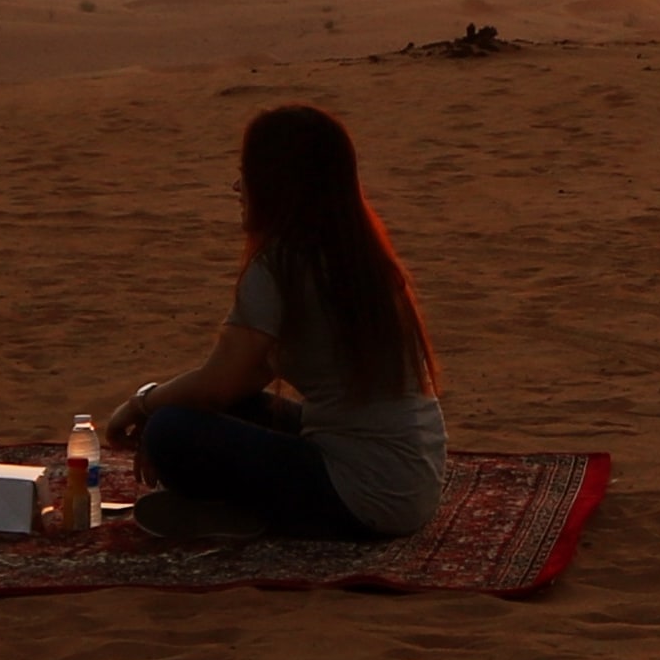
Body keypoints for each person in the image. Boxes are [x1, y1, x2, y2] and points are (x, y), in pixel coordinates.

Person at [104, 104, 446, 539]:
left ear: (276, 185)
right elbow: (241, 382)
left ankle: (252, 517)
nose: (236, 187)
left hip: (363, 497)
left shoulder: (282, 265)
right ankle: (243, 513)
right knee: (216, 408)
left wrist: (141, 406)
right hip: (410, 485)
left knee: (172, 430)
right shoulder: (359, 258)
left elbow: (216, 383)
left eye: (245, 173)